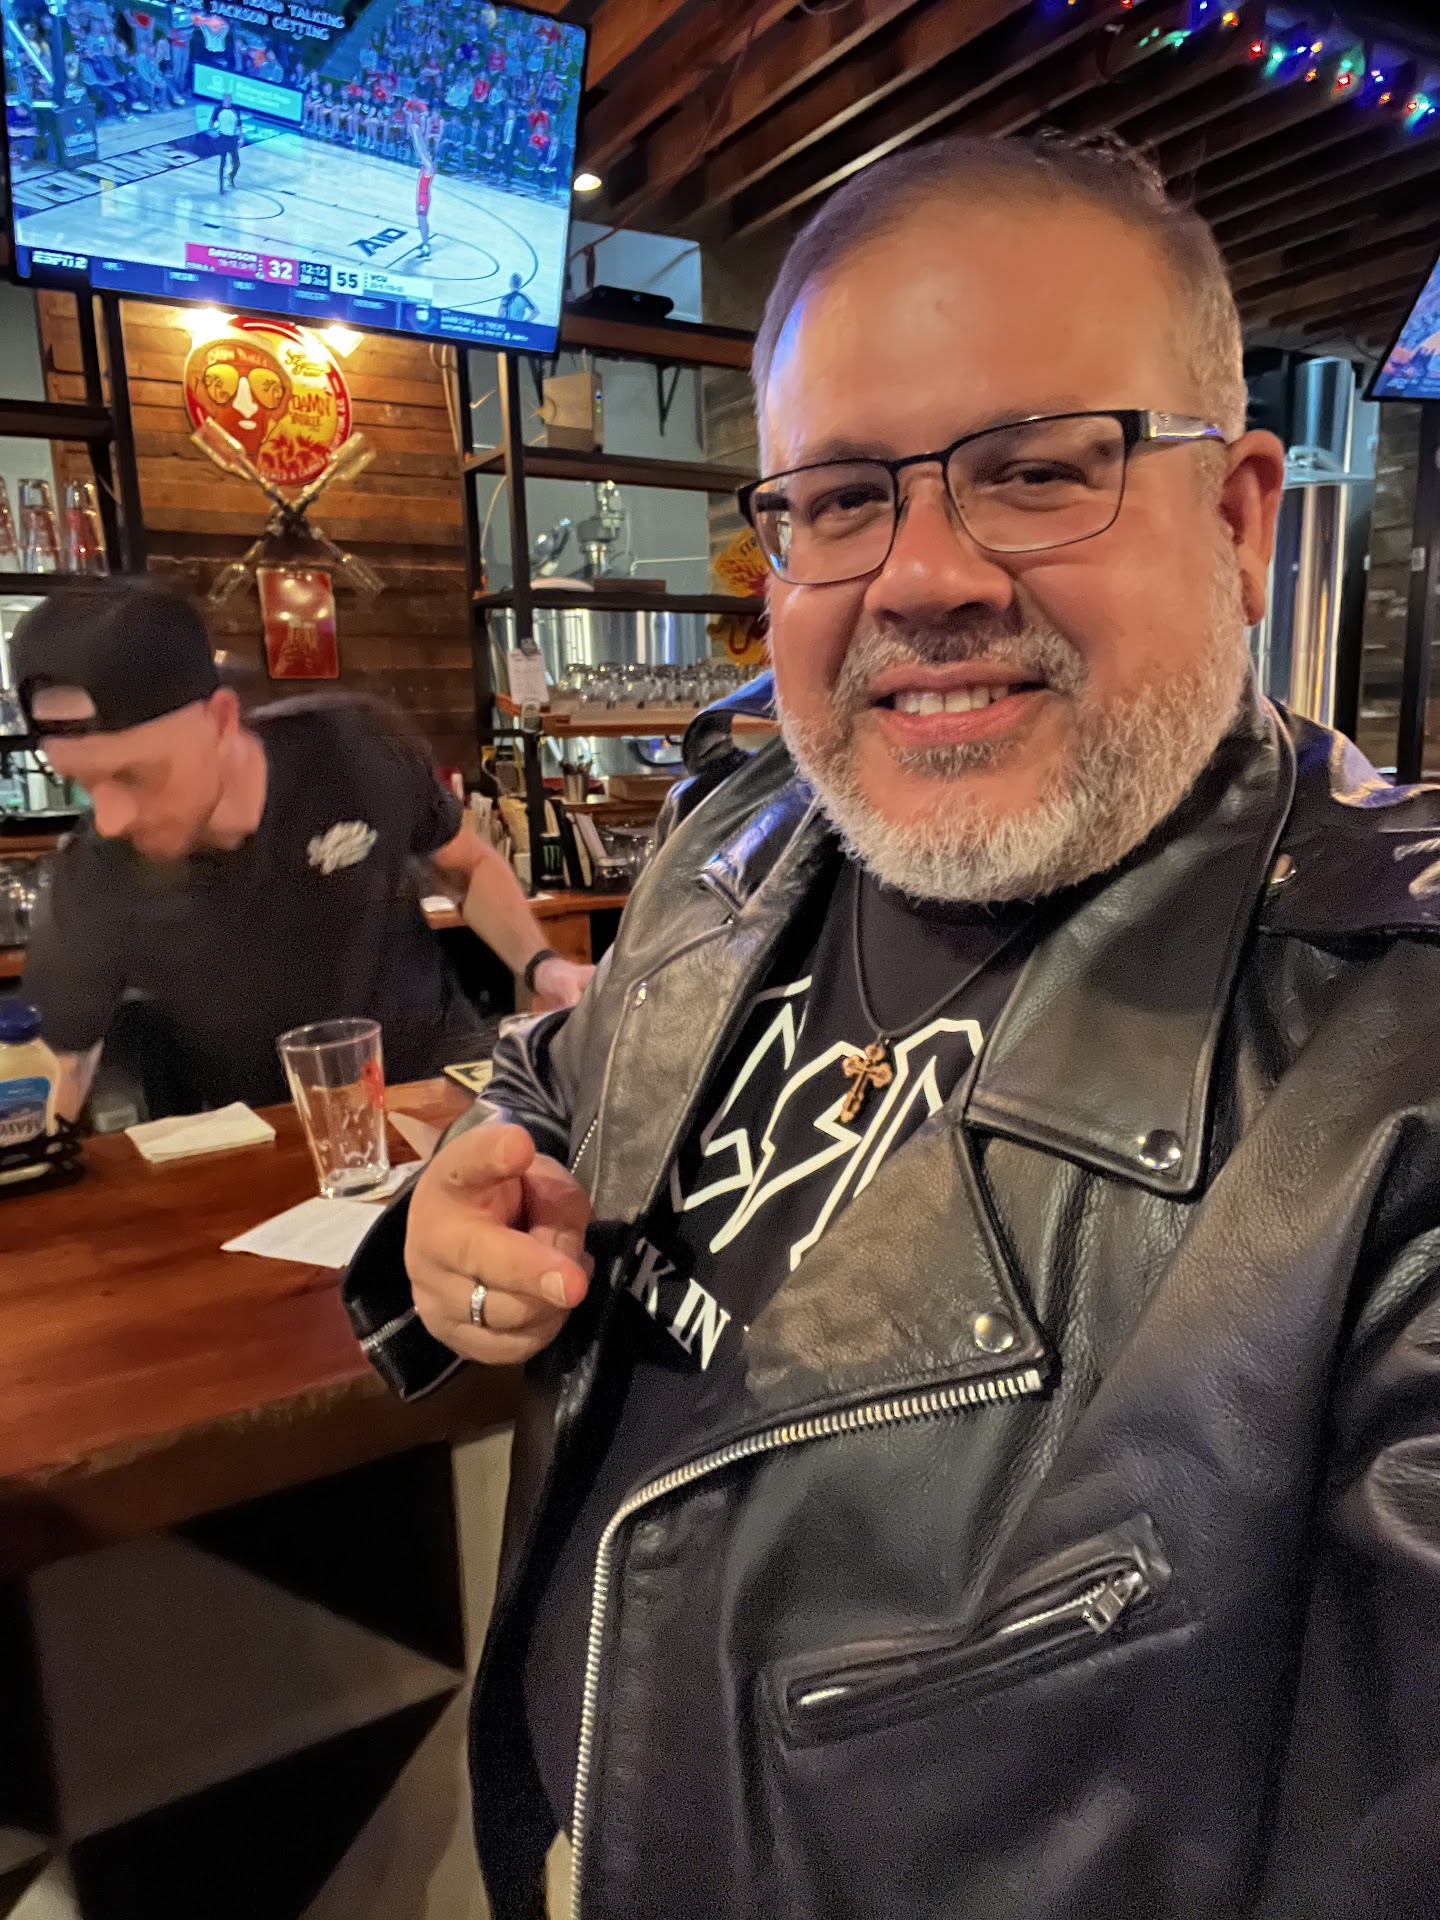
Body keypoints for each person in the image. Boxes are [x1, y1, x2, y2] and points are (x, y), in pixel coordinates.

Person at [344, 132, 1440, 1920]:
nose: (924, 576)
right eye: (844, 497)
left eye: (1038, 469)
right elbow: (565, 1065)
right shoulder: (746, 834)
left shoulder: (1397, 1059)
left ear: (1240, 520)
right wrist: (492, 1155)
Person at [17, 583, 591, 1122]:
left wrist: (544, 965)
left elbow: (467, 868)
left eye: (134, 776)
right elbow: (58, 1063)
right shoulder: (93, 873)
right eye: (83, 786)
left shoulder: (350, 751)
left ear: (220, 721)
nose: (110, 819)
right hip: (266, 1139)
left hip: (434, 1090)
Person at [209, 88, 241, 191]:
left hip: (232, 138)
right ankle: (221, 187)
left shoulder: (235, 110)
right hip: (223, 138)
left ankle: (231, 176)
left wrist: (241, 137)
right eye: (226, 98)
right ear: (223, 99)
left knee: (237, 163)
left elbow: (239, 125)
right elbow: (211, 122)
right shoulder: (218, 109)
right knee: (222, 163)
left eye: (229, 98)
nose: (228, 100)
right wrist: (213, 131)